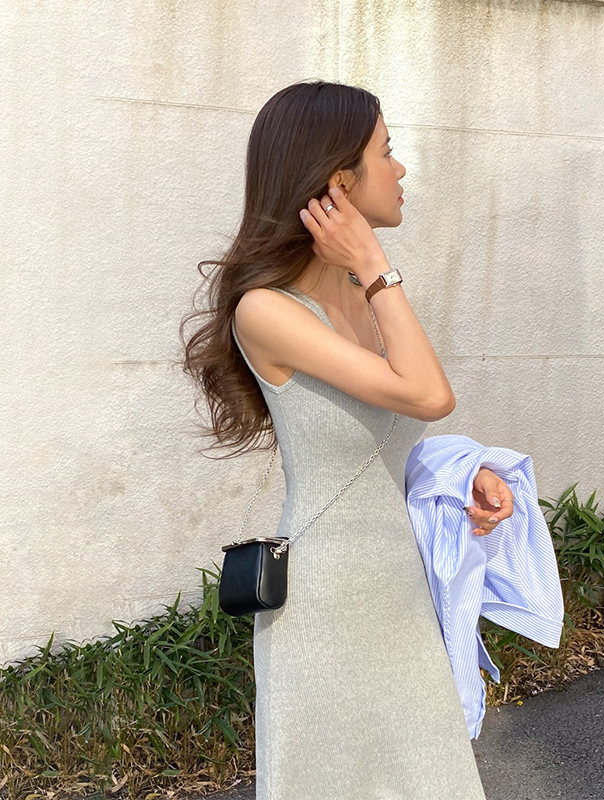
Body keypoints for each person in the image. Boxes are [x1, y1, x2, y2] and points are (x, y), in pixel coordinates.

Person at [181, 79, 515, 799]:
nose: (401, 169)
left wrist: (465, 475)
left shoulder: (368, 298)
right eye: (386, 152)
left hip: (399, 589)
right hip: (326, 600)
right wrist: (373, 265)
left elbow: (393, 436)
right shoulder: (267, 311)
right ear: (339, 183)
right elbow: (431, 394)